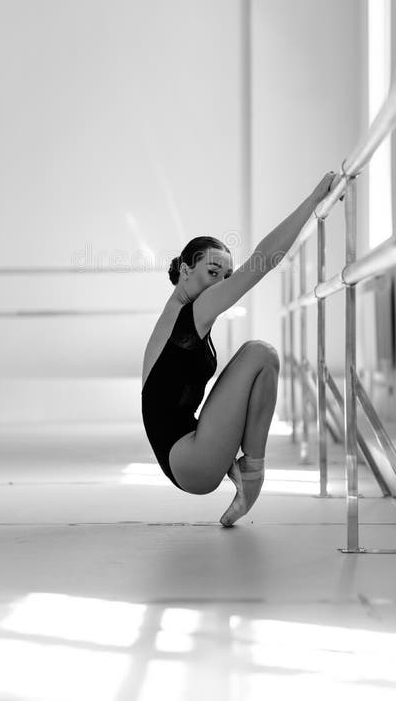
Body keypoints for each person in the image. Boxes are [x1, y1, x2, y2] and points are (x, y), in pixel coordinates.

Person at [141, 170, 338, 527]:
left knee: (263, 361)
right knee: (261, 353)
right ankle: (253, 472)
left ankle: (248, 469)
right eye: (212, 272)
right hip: (190, 461)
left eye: (226, 277)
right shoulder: (190, 312)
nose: (221, 283)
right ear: (186, 270)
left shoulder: (186, 315)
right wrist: (312, 202)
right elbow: (263, 262)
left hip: (189, 453)